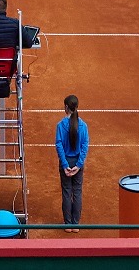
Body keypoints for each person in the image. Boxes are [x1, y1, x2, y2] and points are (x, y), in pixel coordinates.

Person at [55, 94, 89, 231]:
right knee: (77, 192)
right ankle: (75, 224)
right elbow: (85, 146)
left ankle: (68, 224)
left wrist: (65, 165)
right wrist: (79, 165)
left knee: (66, 192)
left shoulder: (60, 125)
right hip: (77, 163)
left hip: (66, 162)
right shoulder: (83, 126)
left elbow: (59, 145)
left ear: (66, 107)